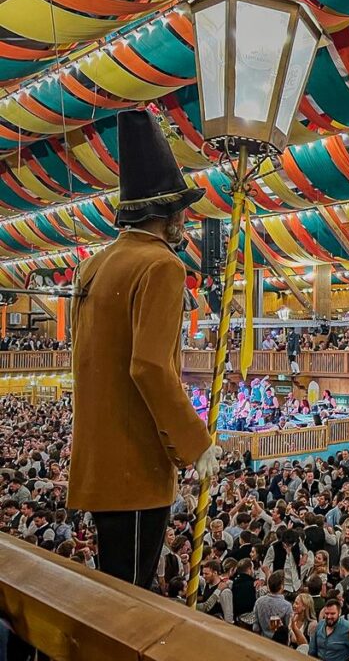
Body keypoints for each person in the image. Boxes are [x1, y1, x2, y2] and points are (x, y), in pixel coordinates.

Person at [69, 110, 217, 587]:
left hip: (98, 469)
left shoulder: (93, 266)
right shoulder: (162, 267)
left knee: (114, 589)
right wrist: (196, 444)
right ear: (168, 212)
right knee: (131, 600)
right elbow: (150, 367)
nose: (185, 218)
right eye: (182, 209)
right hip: (136, 475)